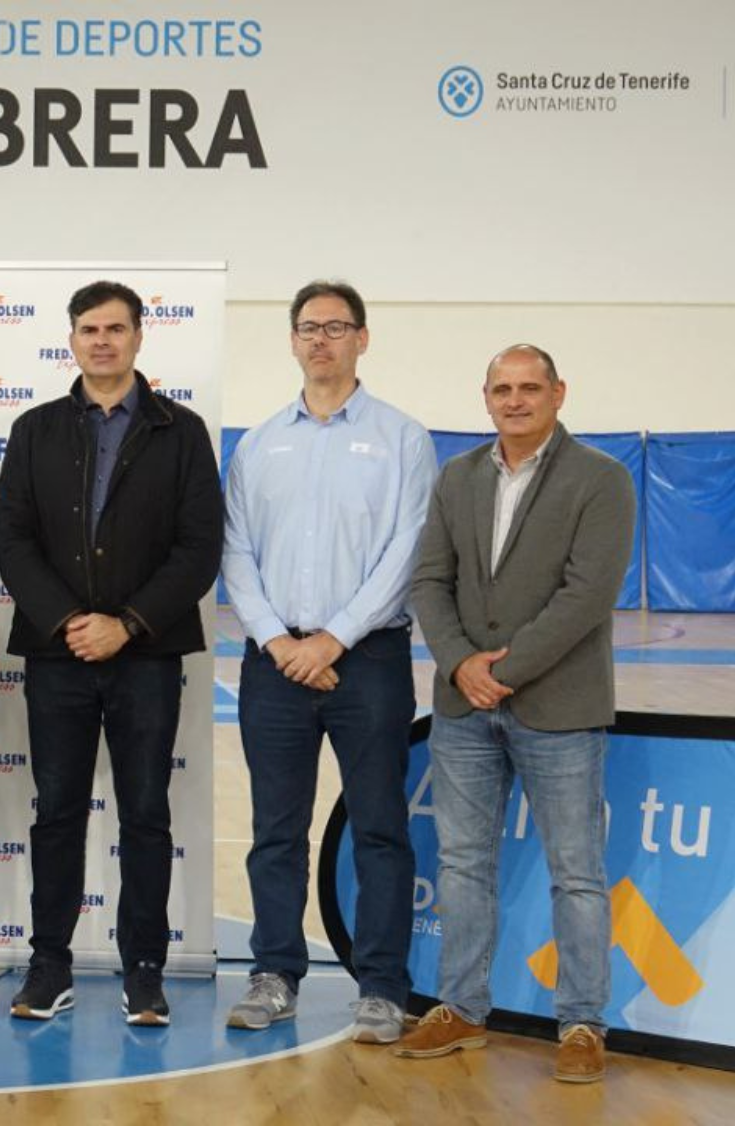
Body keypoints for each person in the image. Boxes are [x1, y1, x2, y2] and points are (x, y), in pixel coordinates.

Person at [396, 345, 634, 1084]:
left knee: (577, 873)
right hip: (463, 706)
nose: (516, 399)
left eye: (531, 387)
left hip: (557, 707)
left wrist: (502, 670)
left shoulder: (602, 479)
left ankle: (582, 1024)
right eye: (503, 388)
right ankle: (462, 1010)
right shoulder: (458, 476)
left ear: (559, 392)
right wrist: (460, 661)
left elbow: (586, 595)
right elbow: (430, 580)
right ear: (486, 397)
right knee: (463, 864)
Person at [0, 280, 222, 1026]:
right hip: (58, 656)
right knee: (56, 813)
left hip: (147, 657)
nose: (102, 340)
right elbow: (14, 543)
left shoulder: (181, 431)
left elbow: (198, 551)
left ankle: (145, 971)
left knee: (146, 816)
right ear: (72, 338)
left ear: (138, 338)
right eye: (89, 329)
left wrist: (126, 623)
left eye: (116, 328)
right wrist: (68, 621)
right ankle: (48, 965)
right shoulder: (33, 430)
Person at [220, 282, 435, 1043]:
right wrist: (281, 642)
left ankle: (380, 987)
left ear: (362, 339)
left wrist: (334, 639)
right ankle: (273, 973)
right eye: (308, 328)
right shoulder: (258, 443)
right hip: (273, 662)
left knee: (379, 827)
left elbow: (406, 551)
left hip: (367, 659)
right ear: (292, 340)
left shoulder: (403, 438)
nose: (321, 340)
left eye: (336, 328)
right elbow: (235, 552)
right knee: (275, 830)